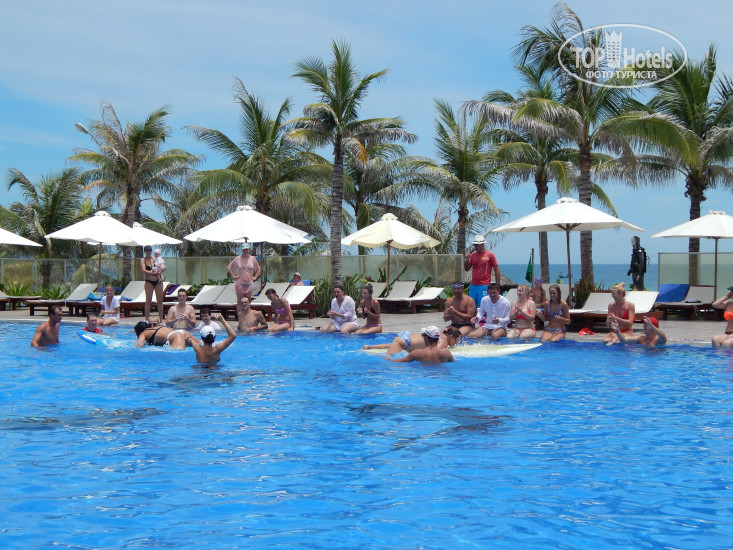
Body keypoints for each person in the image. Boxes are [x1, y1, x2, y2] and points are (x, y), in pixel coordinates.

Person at [363, 326, 462, 355]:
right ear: (451, 336)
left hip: (407, 335)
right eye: (457, 339)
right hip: (406, 341)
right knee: (387, 357)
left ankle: (369, 346)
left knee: (391, 345)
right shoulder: (444, 342)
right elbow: (434, 351)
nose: (457, 342)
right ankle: (369, 350)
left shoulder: (441, 334)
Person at [463, 234, 501, 308]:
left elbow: (496, 270)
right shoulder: (472, 255)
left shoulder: (490, 255)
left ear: (482, 244)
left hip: (484, 285)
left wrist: (497, 285)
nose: (475, 246)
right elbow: (467, 269)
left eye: (477, 245)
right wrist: (467, 260)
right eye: (474, 245)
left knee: (484, 306)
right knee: (471, 306)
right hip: (473, 285)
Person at [385, 326, 455, 364]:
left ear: (426, 338)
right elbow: (455, 363)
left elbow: (402, 361)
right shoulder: (446, 352)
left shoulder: (417, 353)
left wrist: (390, 360)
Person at [227, 243, 261, 312]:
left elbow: (258, 269)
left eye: (247, 249)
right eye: (244, 250)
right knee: (240, 301)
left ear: (249, 250)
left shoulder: (253, 259)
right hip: (240, 283)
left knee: (248, 301)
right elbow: (229, 267)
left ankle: (247, 316)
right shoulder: (237, 258)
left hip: (249, 283)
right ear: (242, 250)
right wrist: (233, 276)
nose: (245, 251)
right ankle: (240, 316)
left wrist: (255, 277)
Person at [140, 245, 166, 321]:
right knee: (148, 301)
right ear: (144, 252)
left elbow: (164, 267)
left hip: (158, 281)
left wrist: (160, 271)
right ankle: (146, 319)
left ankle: (161, 319)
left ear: (151, 251)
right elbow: (143, 270)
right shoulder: (143, 260)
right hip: (149, 281)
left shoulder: (155, 258)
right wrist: (152, 273)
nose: (148, 252)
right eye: (147, 250)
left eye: (149, 250)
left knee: (160, 301)